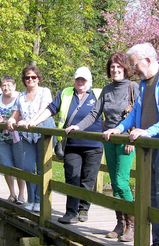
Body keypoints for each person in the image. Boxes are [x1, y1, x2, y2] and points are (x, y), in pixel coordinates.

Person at [103, 43, 159, 246]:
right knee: (152, 198)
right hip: (148, 150)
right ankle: (158, 243)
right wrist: (119, 128)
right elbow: (135, 113)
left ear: (147, 60)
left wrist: (149, 131)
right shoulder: (145, 83)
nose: (133, 69)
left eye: (134, 64)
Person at [65, 53, 139, 240]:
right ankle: (120, 224)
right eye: (112, 67)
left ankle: (132, 224)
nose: (115, 70)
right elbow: (94, 114)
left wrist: (133, 135)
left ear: (125, 68)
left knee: (122, 181)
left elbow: (140, 112)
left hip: (126, 141)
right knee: (114, 183)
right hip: (109, 141)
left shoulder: (133, 87)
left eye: (118, 67)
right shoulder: (106, 90)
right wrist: (78, 126)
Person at [26, 66, 103, 224]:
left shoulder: (99, 94)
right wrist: (33, 122)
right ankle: (70, 211)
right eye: (78, 79)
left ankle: (83, 209)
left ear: (90, 81)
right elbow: (51, 109)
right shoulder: (66, 93)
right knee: (72, 177)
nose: (80, 82)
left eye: (84, 79)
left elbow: (113, 114)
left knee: (88, 179)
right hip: (71, 144)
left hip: (94, 144)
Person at [7, 65, 55, 212]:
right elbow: (16, 113)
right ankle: (31, 198)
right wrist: (11, 120)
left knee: (41, 169)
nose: (30, 80)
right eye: (27, 77)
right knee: (27, 168)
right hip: (28, 136)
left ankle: (40, 201)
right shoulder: (20, 96)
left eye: (33, 77)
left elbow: (43, 109)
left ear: (38, 78)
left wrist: (29, 121)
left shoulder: (44, 92)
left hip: (43, 133)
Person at [0, 76, 26, 204]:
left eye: (8, 85)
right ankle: (12, 194)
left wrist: (8, 121)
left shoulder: (20, 97)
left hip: (17, 137)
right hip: (2, 137)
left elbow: (23, 116)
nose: (5, 87)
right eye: (3, 85)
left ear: (14, 86)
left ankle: (22, 195)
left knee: (19, 166)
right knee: (6, 165)